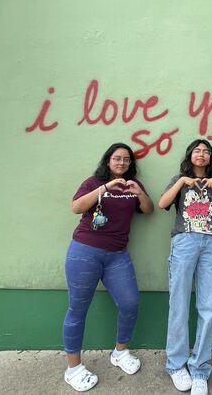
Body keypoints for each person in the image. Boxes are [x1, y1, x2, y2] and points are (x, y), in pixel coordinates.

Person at [63, 143, 154, 392]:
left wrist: (139, 193)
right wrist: (106, 187)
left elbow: (148, 210)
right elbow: (77, 207)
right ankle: (73, 368)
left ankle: (120, 352)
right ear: (108, 161)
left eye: (126, 160)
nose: (121, 163)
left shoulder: (133, 185)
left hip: (117, 255)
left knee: (130, 302)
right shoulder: (93, 182)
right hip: (84, 252)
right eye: (117, 159)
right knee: (78, 309)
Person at [159, 139, 212, 395]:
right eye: (197, 150)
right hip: (184, 241)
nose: (202, 154)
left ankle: (200, 369)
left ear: (210, 157)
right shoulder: (178, 179)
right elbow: (162, 204)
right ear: (190, 155)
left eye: (206, 151)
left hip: (209, 244)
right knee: (179, 304)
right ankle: (176, 365)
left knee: (207, 306)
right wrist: (183, 182)